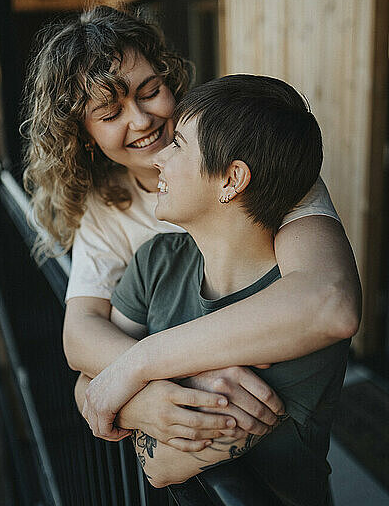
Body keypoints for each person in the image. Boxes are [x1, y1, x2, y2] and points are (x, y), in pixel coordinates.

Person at [22, 5, 360, 451]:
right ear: (83, 136)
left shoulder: (251, 159)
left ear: (170, 80)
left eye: (150, 91)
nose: (141, 120)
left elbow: (330, 302)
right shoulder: (106, 206)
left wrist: (145, 365)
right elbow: (80, 335)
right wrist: (168, 393)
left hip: (278, 433)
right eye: (109, 114)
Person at [84, 75, 350, 504]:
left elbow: (159, 465)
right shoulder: (157, 260)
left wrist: (126, 389)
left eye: (180, 145)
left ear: (232, 180)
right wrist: (150, 394)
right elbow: (88, 381)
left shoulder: (291, 324)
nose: (158, 160)